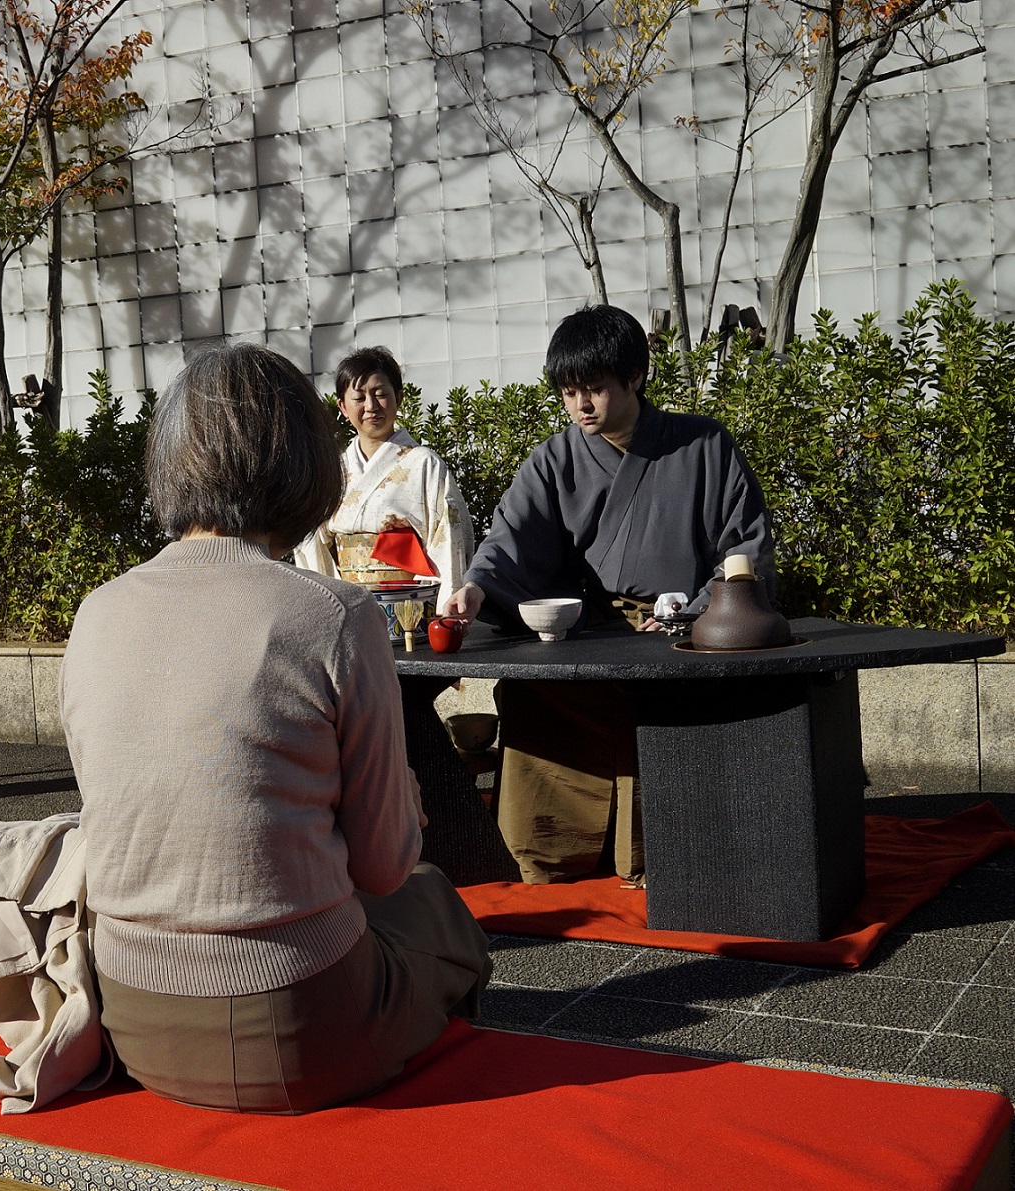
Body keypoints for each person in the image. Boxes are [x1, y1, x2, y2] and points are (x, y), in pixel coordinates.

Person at [62, 343, 490, 1114]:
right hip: (301, 1025)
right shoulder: (336, 614)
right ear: (304, 461)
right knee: (433, 901)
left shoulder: (96, 613)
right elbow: (387, 865)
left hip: (128, 1013)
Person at [440, 305, 774, 885]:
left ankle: (662, 850)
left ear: (636, 377)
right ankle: (551, 852)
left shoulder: (703, 445)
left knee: (668, 697)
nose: (581, 406)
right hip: (589, 633)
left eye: (594, 389)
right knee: (535, 692)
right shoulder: (554, 459)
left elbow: (743, 548)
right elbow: (510, 538)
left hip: (680, 630)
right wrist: (474, 589)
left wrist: (696, 613)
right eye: (569, 393)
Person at [294, 346, 472, 611]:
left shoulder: (424, 463)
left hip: (410, 604)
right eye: (359, 397)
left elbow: (450, 536)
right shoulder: (333, 469)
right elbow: (311, 541)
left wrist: (445, 605)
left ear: (399, 398)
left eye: (380, 394)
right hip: (348, 603)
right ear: (342, 406)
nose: (371, 406)